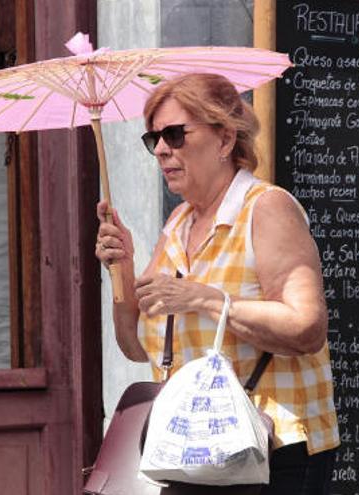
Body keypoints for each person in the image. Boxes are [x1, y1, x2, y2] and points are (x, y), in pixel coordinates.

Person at [94, 73, 339, 494]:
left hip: (271, 449)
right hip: (194, 453)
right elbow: (137, 347)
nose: (163, 150)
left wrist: (205, 299)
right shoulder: (178, 224)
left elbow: (306, 328)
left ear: (225, 140)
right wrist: (123, 270)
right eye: (154, 139)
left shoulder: (265, 209)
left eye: (175, 134)